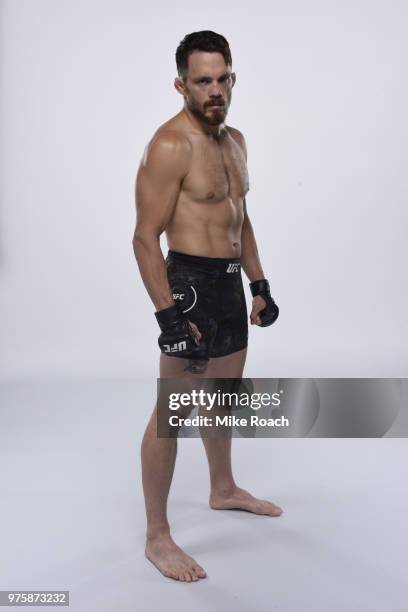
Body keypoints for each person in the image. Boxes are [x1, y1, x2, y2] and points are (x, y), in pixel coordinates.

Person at [132, 30, 282, 583]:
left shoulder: (235, 139)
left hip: (227, 285)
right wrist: (168, 316)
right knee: (173, 414)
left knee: (222, 398)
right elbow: (145, 237)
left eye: (222, 79)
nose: (214, 90)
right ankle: (157, 537)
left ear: (232, 79)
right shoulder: (170, 145)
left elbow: (240, 221)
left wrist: (260, 283)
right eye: (202, 81)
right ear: (181, 84)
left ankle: (222, 490)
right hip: (189, 287)